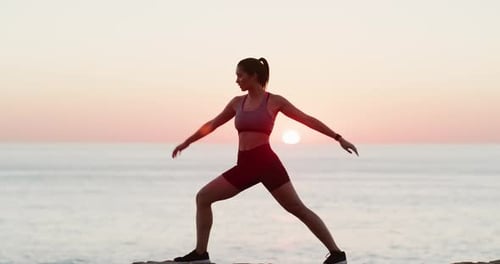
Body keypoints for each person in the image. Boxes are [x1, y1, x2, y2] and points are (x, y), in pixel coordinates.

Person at [171, 57, 358, 264]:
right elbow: (212, 124)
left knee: (297, 208)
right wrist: (187, 142)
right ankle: (200, 255)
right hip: (245, 165)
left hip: (266, 163)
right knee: (203, 198)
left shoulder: (275, 101)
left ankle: (337, 254)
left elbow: (307, 119)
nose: (237, 80)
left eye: (240, 75)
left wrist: (338, 138)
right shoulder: (236, 103)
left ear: (254, 76)